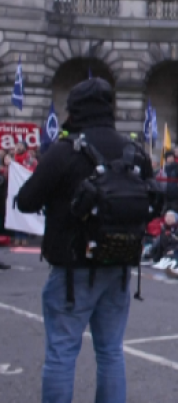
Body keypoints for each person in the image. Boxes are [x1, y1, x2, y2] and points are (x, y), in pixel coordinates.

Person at [16, 77, 154, 403]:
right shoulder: (134, 151)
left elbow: (26, 201)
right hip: (120, 262)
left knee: (62, 352)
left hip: (72, 266)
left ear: (75, 111)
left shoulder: (65, 151)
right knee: (110, 352)